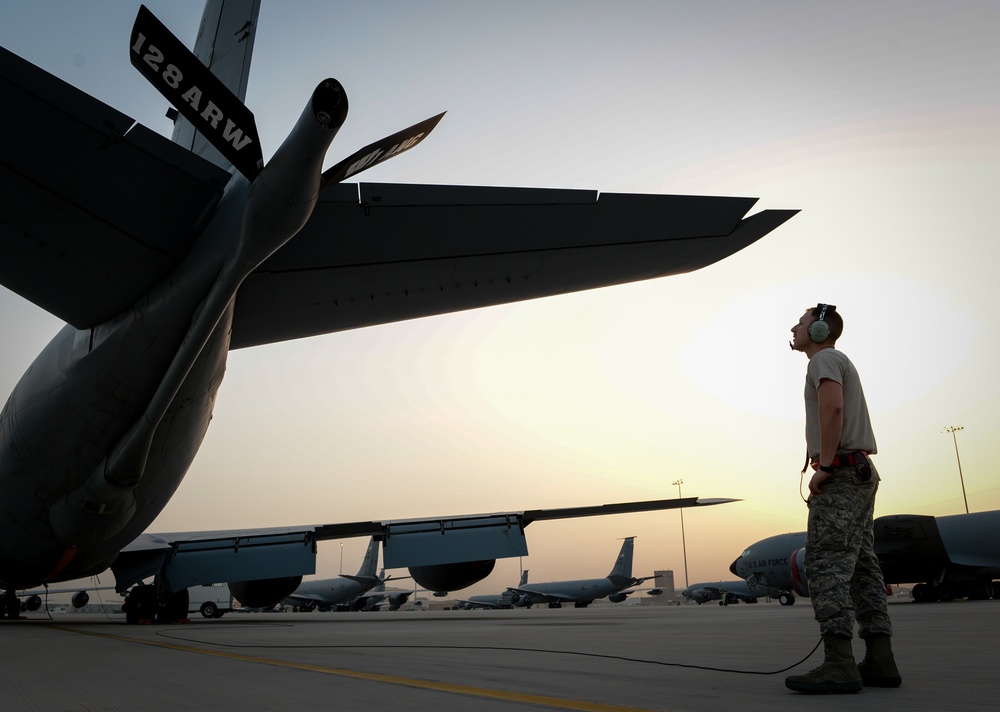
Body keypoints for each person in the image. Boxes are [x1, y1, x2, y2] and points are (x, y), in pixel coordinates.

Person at [784, 304, 902, 694]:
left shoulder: (824, 360)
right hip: (861, 472)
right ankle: (880, 660)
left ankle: (839, 663)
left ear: (818, 330)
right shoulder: (837, 360)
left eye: (800, 323)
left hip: (843, 473)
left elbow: (832, 408)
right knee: (864, 567)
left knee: (826, 562)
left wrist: (827, 466)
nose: (794, 328)